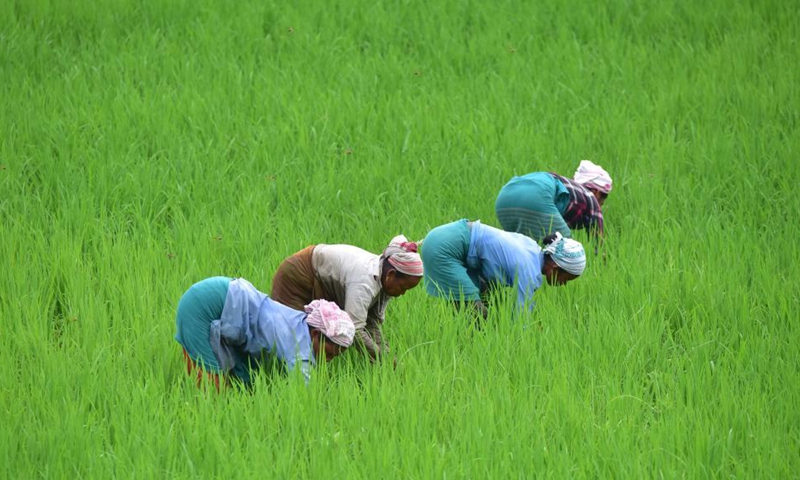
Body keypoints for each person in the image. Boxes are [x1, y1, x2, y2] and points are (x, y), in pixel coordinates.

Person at [174, 276, 356, 389]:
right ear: (316, 334)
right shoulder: (300, 353)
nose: (328, 360)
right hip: (207, 305)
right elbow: (303, 396)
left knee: (232, 380)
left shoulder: (300, 322)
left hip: (223, 291)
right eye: (329, 353)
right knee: (211, 389)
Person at [270, 235, 423, 363]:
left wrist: (388, 356)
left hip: (320, 279)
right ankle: (290, 378)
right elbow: (355, 330)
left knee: (309, 339)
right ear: (391, 275)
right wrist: (384, 358)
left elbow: (372, 323)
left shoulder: (384, 280)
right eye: (403, 287)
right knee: (294, 335)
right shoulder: (364, 281)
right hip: (298, 276)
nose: (403, 293)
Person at [420, 219, 585, 322]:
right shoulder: (529, 272)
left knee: (489, 299)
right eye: (567, 279)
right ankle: (470, 350)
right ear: (556, 268)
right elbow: (520, 320)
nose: (563, 284)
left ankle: (464, 342)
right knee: (478, 315)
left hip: (449, 235)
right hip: (445, 248)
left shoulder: (532, 248)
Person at [495, 160, 613, 245]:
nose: (601, 206)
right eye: (602, 202)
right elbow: (599, 243)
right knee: (569, 251)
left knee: (522, 248)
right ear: (597, 192)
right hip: (537, 197)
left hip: (505, 196)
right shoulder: (591, 198)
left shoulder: (564, 186)